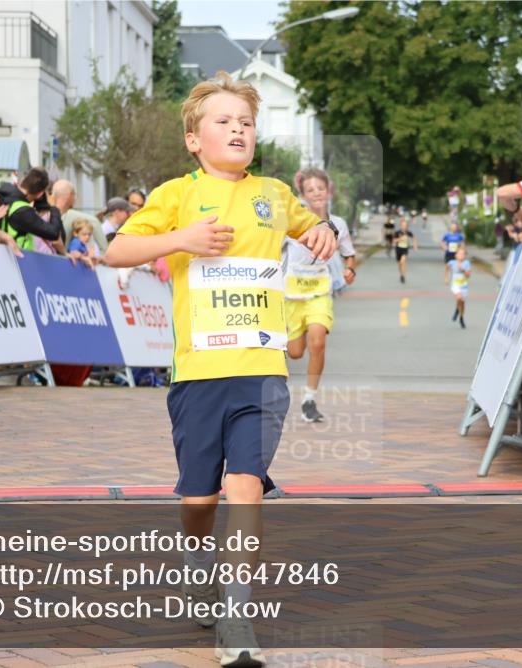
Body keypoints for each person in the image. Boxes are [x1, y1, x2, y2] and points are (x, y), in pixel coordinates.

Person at [104, 71, 336, 667]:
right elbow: (115, 251)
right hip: (199, 376)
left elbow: (312, 226)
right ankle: (194, 559)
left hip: (261, 373)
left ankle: (236, 615)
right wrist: (182, 238)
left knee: (245, 487)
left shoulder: (275, 193)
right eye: (224, 121)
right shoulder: (176, 195)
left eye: (246, 122)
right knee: (201, 500)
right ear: (193, 139)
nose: (238, 129)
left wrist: (324, 233)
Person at [284, 167, 357, 423]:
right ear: (302, 194)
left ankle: (309, 399)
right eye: (310, 190)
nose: (316, 193)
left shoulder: (338, 224)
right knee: (294, 353)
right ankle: (296, 336)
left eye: (320, 189)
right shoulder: (294, 220)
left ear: (329, 191)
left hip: (319, 291)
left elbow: (349, 254)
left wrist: (350, 270)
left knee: (318, 341)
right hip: (293, 292)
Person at [0, 167, 64, 252]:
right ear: (40, 194)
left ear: (23, 180)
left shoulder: (0, 196)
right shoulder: (23, 210)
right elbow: (53, 233)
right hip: (17, 259)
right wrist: (54, 208)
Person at [445, 247, 472, 328]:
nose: (461, 255)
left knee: (462, 304)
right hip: (455, 285)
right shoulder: (452, 262)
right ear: (456, 255)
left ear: (465, 256)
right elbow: (446, 268)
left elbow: (468, 276)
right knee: (459, 297)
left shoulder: (467, 263)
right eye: (459, 254)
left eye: (463, 254)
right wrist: (446, 278)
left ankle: (461, 317)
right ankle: (457, 309)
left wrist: (463, 270)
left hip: (464, 286)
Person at [393, 217, 417, 283]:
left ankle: (404, 276)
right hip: (398, 249)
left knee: (402, 261)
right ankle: (401, 274)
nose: (404, 227)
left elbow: (414, 238)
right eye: (403, 225)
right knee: (400, 264)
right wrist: (400, 239)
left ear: (407, 226)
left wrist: (415, 246)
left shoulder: (408, 232)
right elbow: (394, 241)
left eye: (405, 226)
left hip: (405, 249)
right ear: (401, 226)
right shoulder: (397, 232)